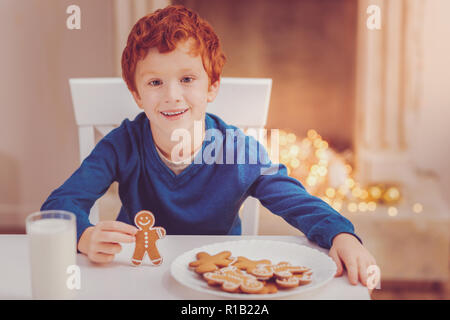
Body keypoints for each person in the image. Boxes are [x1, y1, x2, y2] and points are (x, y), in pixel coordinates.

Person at [41, 5, 376, 287]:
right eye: (155, 82)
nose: (172, 95)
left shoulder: (239, 152)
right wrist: (84, 237)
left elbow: (298, 202)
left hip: (216, 283)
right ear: (137, 94)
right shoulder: (121, 145)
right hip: (138, 276)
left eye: (187, 79)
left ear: (212, 87)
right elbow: (59, 204)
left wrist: (340, 235)